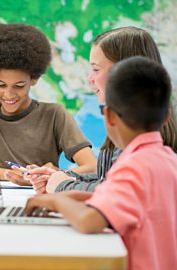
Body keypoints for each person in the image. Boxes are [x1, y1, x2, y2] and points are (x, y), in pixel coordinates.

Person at [24, 56, 177, 270]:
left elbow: (89, 220)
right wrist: (68, 195)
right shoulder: (168, 160)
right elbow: (129, 201)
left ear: (110, 116)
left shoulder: (133, 166)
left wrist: (56, 202)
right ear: (167, 117)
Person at [27, 26, 177, 194]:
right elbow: (108, 177)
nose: (89, 79)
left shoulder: (137, 132)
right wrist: (61, 177)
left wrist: (62, 186)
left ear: (124, 73)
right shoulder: (132, 124)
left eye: (96, 70)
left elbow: (113, 191)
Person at [0, 23, 96, 183]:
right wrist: (5, 174)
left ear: (34, 79)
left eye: (19, 86)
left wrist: (55, 176)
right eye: (0, 85)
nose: (8, 94)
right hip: (2, 199)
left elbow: (92, 166)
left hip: (43, 199)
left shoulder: (55, 114)